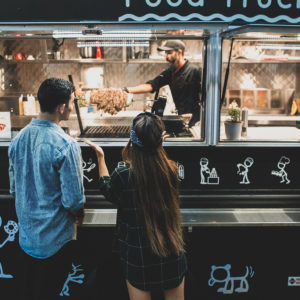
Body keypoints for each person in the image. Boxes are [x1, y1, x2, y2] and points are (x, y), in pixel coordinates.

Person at [86, 112, 187, 300]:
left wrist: (100, 157)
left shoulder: (123, 174)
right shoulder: (171, 169)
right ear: (159, 141)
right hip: (171, 249)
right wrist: (157, 144)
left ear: (132, 141)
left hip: (138, 255)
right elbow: (155, 163)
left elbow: (108, 190)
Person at [8, 78, 86, 300]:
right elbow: (73, 201)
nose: (72, 106)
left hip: (27, 240)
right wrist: (80, 214)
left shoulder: (18, 139)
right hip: (55, 242)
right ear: (62, 107)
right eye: (71, 102)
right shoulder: (66, 145)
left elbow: (15, 190)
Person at [123, 40, 202, 127]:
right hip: (183, 119)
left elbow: (205, 97)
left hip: (198, 121)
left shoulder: (195, 70)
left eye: (169, 52)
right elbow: (151, 86)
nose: (166, 56)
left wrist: (195, 114)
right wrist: (126, 90)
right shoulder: (171, 72)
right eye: (165, 53)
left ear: (179, 52)